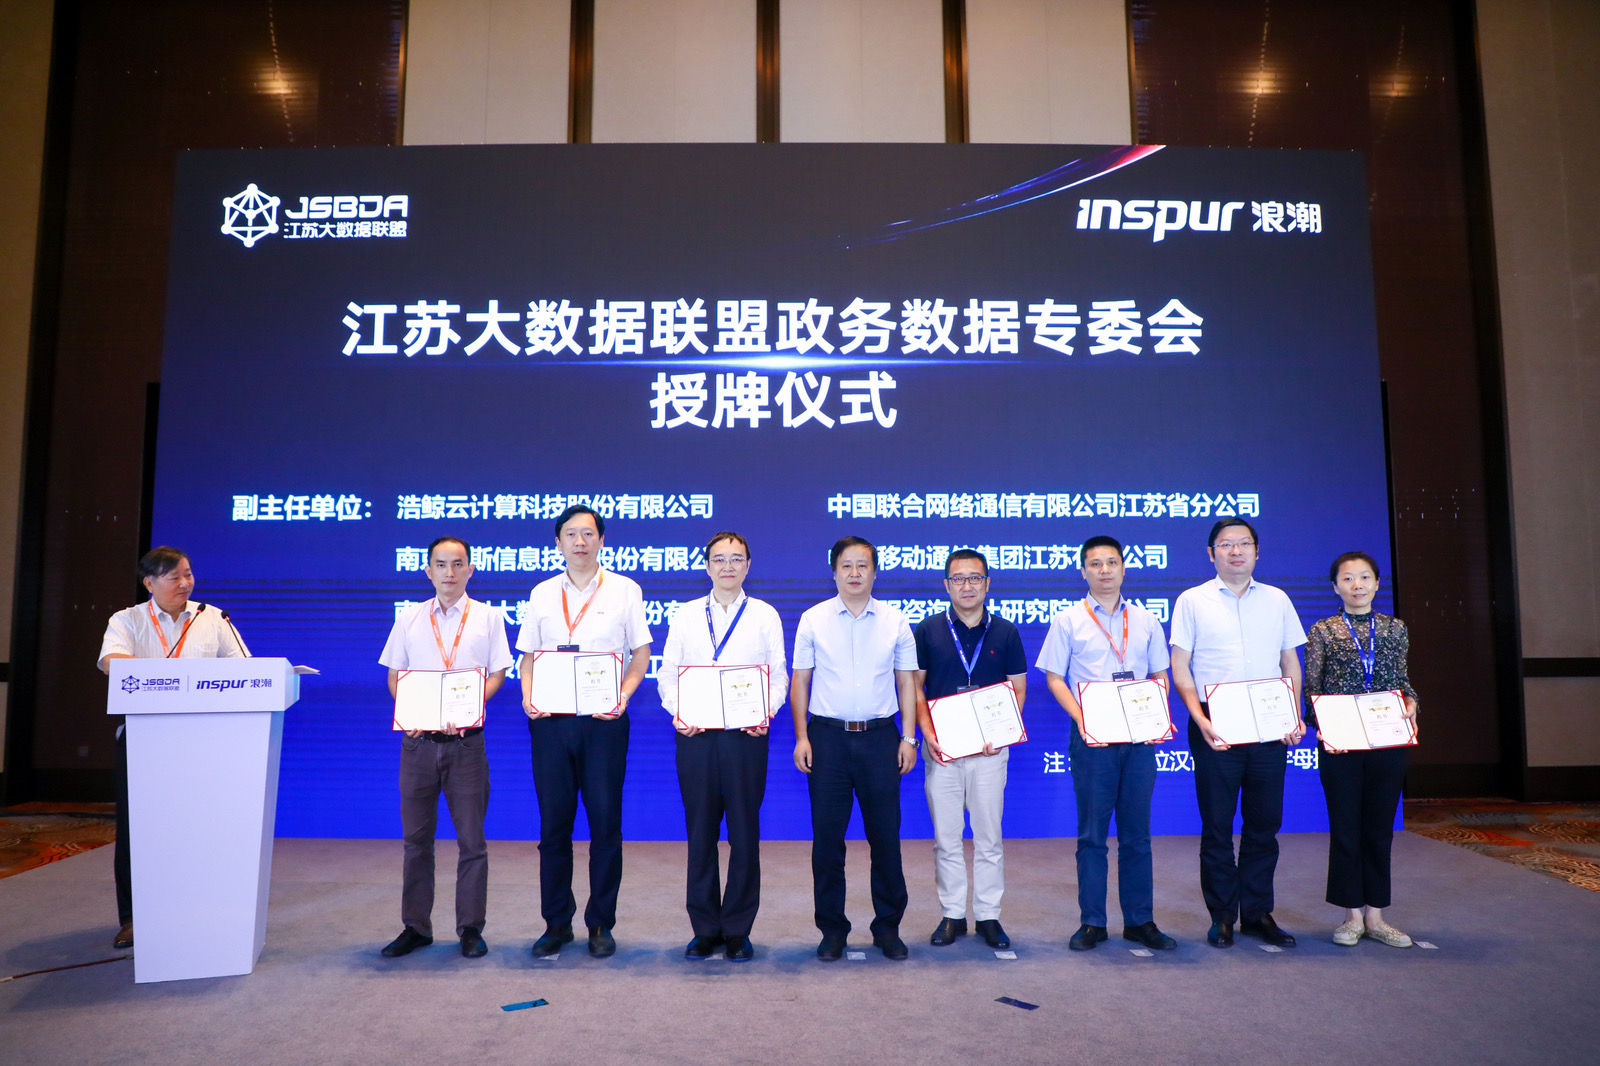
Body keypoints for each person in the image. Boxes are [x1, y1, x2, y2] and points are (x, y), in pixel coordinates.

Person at [98, 546, 250, 949]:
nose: (185, 583)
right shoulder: (127, 620)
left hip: (204, 740)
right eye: (174, 577)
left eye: (188, 574)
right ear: (149, 583)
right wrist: (172, 678)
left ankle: (202, 909)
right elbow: (112, 662)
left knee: (202, 825)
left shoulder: (212, 617)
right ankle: (133, 919)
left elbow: (244, 668)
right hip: (143, 739)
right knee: (137, 830)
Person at [516, 504, 651, 958]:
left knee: (605, 825)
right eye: (571, 534)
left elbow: (640, 652)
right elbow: (528, 657)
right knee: (553, 826)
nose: (580, 541)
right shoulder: (541, 593)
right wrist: (528, 697)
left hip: (603, 724)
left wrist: (623, 696)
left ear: (601, 541)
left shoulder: (625, 590)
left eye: (588, 533)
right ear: (557, 543)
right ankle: (556, 923)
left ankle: (600, 924)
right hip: (551, 724)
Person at [1170, 518, 1307, 948]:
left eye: (1244, 544)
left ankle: (1258, 913)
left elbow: (1290, 661)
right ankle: (1222, 917)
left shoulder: (1278, 599)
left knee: (1264, 824)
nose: (1235, 551)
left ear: (1257, 552)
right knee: (1217, 826)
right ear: (1211, 553)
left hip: (1269, 722)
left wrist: (1293, 714)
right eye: (1226, 544)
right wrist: (1199, 718)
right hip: (1216, 723)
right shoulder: (1192, 601)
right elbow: (1180, 665)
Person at [1038, 536, 1178, 952]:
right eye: (1095, 564)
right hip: (1092, 738)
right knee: (1092, 835)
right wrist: (1083, 719)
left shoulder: (1146, 620)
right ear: (1083, 571)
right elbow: (1054, 678)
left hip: (1139, 738)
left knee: (1137, 834)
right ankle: (1092, 922)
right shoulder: (1068, 620)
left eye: (1112, 562)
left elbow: (1160, 674)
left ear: (1123, 568)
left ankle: (1140, 920)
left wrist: (1156, 713)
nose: (1104, 570)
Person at [376, 536, 512, 959]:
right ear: (428, 571)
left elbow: (498, 674)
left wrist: (469, 708)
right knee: (416, 841)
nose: (449, 573)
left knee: (472, 841)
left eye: (457, 564)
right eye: (440, 564)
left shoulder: (489, 618)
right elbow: (395, 675)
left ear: (470, 570)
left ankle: (470, 928)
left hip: (465, 745)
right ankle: (416, 927)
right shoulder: (409, 618)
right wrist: (411, 713)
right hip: (418, 745)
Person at [658, 531, 788, 961]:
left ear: (748, 565)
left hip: (745, 738)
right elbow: (668, 672)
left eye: (736, 558)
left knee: (745, 833)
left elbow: (778, 674)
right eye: (719, 558)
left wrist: (765, 712)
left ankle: (737, 929)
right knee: (700, 833)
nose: (727, 566)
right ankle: (704, 929)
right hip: (695, 737)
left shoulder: (765, 615)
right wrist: (679, 711)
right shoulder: (686, 614)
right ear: (707, 566)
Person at [791, 536, 919, 961]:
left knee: (886, 839)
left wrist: (908, 737)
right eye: (846, 565)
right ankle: (832, 930)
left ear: (875, 572)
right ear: (833, 572)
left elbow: (906, 682)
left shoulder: (896, 621)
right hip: (827, 739)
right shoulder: (813, 619)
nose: (854, 573)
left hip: (881, 739)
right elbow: (801, 681)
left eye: (862, 565)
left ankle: (888, 928)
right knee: (828, 842)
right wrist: (802, 737)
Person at [1304, 551, 1419, 948]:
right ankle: (1351, 916)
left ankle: (1377, 916)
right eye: (1348, 578)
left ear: (1377, 583)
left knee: (1379, 829)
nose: (1357, 585)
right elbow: (1312, 690)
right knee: (1346, 828)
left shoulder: (1395, 629)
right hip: (1341, 746)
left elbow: (1403, 681)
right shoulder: (1323, 630)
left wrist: (1412, 704)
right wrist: (1327, 729)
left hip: (1387, 741)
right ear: (1335, 586)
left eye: (1365, 577)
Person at [913, 549, 1027, 950]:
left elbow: (1017, 689)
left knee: (988, 837)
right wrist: (927, 734)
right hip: (942, 751)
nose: (967, 586)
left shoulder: (1006, 632)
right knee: (946, 838)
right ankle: (953, 915)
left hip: (989, 751)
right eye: (958, 579)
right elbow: (915, 688)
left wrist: (1004, 733)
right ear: (946, 585)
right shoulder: (928, 630)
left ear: (987, 583)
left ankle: (989, 916)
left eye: (975, 578)